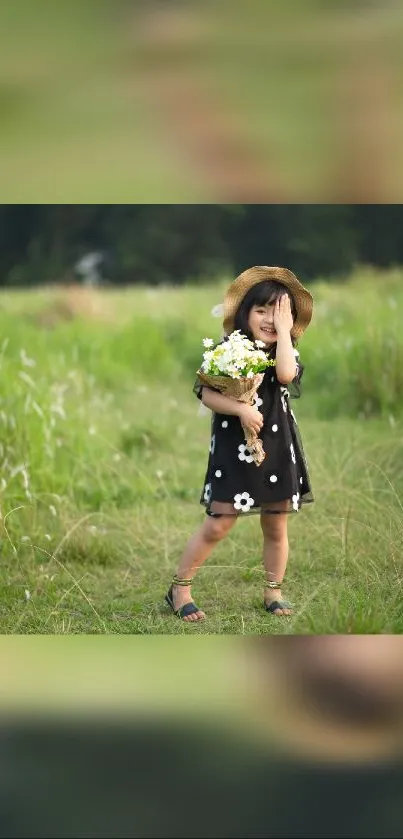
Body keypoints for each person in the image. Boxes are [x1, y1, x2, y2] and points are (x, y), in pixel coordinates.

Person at [165, 266, 314, 622]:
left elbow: (285, 376)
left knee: (276, 524)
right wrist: (240, 410)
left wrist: (284, 333)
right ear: (245, 312)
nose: (268, 319)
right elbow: (206, 394)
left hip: (277, 446)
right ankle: (180, 588)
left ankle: (273, 591)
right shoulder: (229, 349)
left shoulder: (285, 350)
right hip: (234, 448)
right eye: (261, 310)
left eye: (278, 312)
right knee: (219, 521)